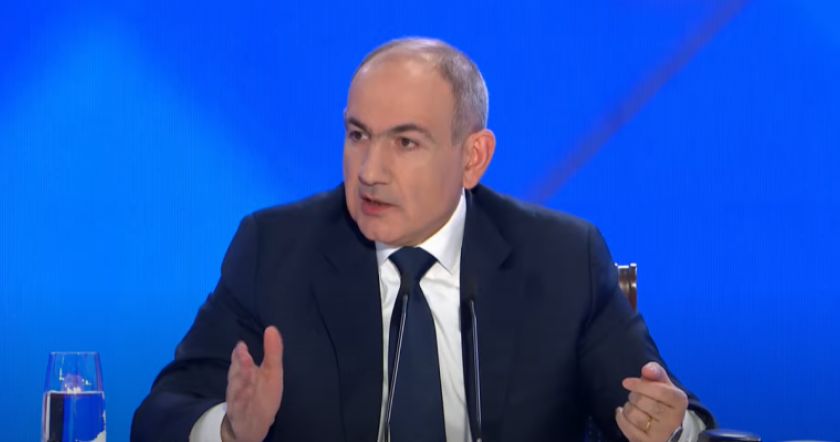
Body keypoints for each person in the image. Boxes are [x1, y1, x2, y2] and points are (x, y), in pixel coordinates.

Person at [132, 37, 714, 442]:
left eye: (405, 143)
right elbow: (160, 416)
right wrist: (230, 430)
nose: (369, 171)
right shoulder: (276, 249)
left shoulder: (562, 258)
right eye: (358, 135)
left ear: (473, 157)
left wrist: (668, 428)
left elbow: (658, 409)